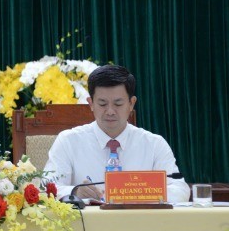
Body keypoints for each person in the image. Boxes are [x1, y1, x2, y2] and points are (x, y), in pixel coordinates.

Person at [44, 65, 191, 203]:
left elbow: (180, 190)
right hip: (86, 228)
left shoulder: (154, 144)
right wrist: (75, 192)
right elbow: (46, 188)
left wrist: (139, 194)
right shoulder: (69, 141)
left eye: (118, 104)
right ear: (91, 104)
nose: (110, 111)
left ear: (131, 103)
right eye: (102, 104)